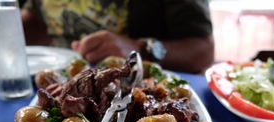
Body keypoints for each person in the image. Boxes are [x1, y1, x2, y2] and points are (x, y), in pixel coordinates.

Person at [21, 0, 214, 73]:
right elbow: (37, 22)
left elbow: (203, 51)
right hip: (57, 81)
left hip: (140, 82)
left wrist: (140, 49)